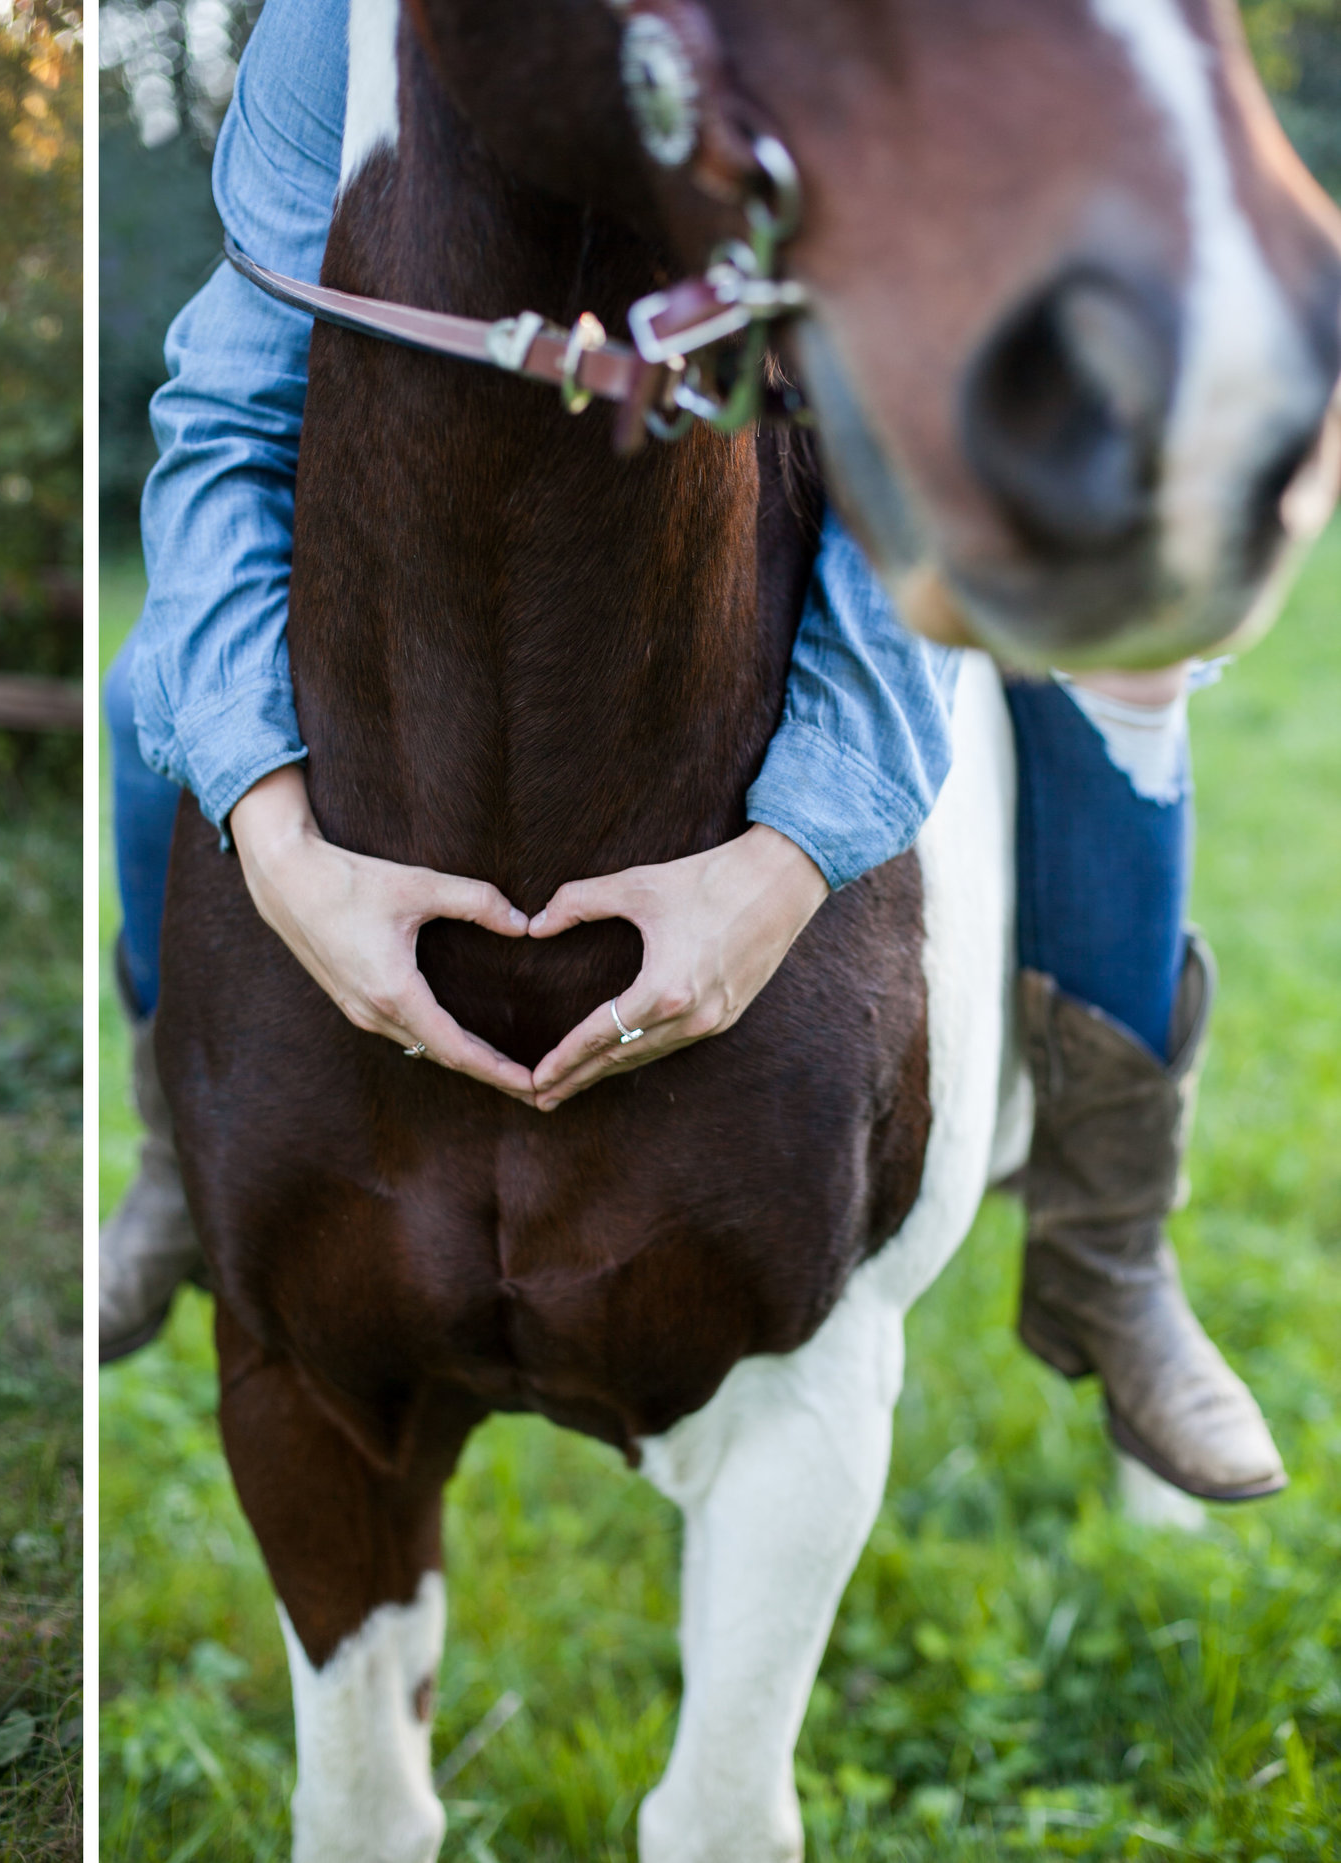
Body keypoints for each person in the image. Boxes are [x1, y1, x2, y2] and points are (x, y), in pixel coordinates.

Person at [98, 0, 1284, 1504]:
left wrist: (792, 859)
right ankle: (166, 1162)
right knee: (155, 693)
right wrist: (272, 837)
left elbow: (894, 386)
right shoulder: (318, 36)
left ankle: (1113, 1247)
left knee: (1113, 668)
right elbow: (232, 393)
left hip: (853, 415)